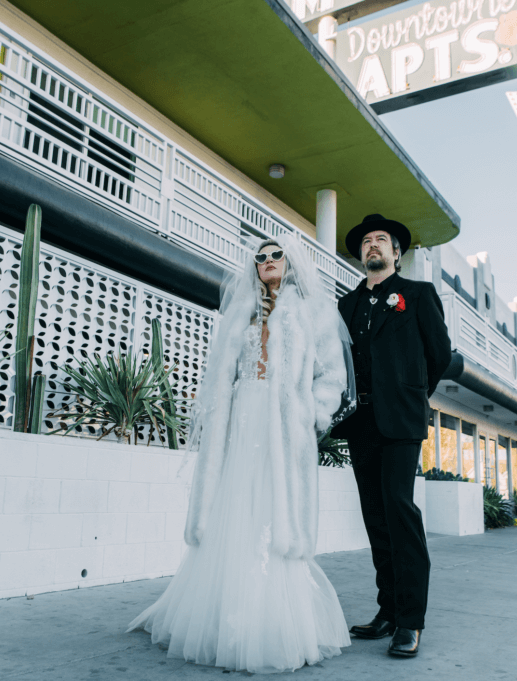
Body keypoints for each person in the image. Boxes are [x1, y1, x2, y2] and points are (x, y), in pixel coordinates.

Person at [128, 234, 353, 673]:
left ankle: (274, 624)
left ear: (290, 263)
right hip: (242, 423)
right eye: (261, 257)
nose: (267, 261)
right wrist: (217, 418)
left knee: (275, 512)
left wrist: (312, 415)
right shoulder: (239, 314)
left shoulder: (314, 312)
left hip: (284, 429)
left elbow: (332, 376)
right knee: (235, 512)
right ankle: (224, 620)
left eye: (276, 255)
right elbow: (219, 376)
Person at [330, 214, 452, 658]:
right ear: (361, 254)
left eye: (382, 239)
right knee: (375, 517)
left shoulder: (418, 295)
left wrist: (409, 395)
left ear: (396, 253)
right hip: (360, 426)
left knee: (400, 513)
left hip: (401, 423)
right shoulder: (345, 306)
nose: (373, 245)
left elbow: (439, 356)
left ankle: (411, 621)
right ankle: (387, 612)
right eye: (366, 241)